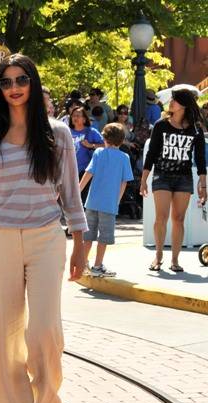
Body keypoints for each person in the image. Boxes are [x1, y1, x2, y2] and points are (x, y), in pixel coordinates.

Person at [0, 54, 87, 403]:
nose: (14, 87)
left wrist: (81, 245)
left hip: (47, 237)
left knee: (44, 330)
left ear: (32, 84)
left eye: (21, 80)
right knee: (3, 331)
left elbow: (70, 194)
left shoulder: (58, 135)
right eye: (5, 82)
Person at [141, 88, 207, 272]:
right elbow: (151, 154)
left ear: (184, 105)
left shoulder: (195, 130)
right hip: (161, 175)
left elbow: (200, 158)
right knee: (160, 218)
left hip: (184, 178)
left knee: (178, 219)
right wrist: (143, 179)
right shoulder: (161, 125)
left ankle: (175, 260)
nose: (171, 103)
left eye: (175, 100)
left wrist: (203, 183)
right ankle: (159, 256)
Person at [79, 123, 134, 277]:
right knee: (104, 237)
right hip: (109, 205)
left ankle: (83, 265)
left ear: (104, 138)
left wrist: (78, 190)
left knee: (88, 237)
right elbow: (124, 182)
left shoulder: (98, 152)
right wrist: (117, 200)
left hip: (92, 202)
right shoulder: (124, 157)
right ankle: (97, 266)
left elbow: (88, 173)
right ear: (122, 140)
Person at [69, 106, 104, 175]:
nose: (75, 118)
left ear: (84, 119)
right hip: (69, 170)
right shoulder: (67, 131)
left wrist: (91, 145)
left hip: (86, 171)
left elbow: (105, 146)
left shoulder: (92, 131)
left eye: (78, 116)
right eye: (73, 116)